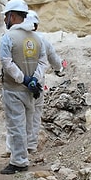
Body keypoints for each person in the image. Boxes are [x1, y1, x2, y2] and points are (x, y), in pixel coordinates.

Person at [0, 0, 47, 175]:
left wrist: (22, 79)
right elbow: (43, 62)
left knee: (16, 125)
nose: (5, 20)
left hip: (14, 89)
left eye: (6, 17)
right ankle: (23, 154)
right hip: (31, 90)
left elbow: (6, 62)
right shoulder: (37, 38)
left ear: (12, 16)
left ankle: (19, 161)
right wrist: (34, 80)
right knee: (27, 124)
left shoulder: (8, 38)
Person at [25, 10, 65, 153]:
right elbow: (54, 59)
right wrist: (59, 69)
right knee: (35, 114)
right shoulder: (42, 40)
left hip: (19, 82)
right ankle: (31, 146)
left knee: (16, 116)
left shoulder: (15, 38)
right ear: (35, 25)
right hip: (37, 82)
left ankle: (13, 147)